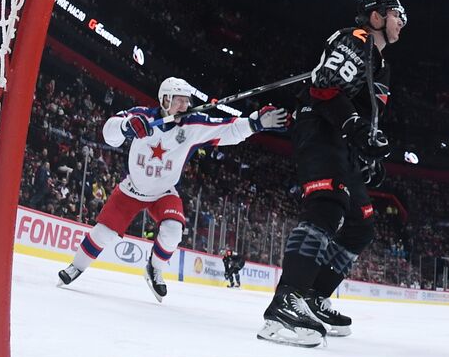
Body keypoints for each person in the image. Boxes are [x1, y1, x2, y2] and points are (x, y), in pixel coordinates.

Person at [258, 0, 404, 347]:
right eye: (396, 14)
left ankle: (312, 297)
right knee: (326, 204)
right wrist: (353, 126)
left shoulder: (381, 63)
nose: (402, 22)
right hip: (320, 127)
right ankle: (286, 301)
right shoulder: (356, 41)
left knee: (361, 223)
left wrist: (366, 153)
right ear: (375, 17)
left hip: (341, 140)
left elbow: (362, 114)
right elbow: (324, 88)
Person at [57, 77, 287, 301]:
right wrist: (126, 127)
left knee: (173, 231)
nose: (184, 106)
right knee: (103, 233)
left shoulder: (194, 124)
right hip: (133, 189)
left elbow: (228, 130)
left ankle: (154, 269)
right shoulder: (141, 117)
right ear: (164, 100)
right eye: (178, 100)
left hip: (164, 192)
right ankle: (76, 267)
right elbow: (109, 133)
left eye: (187, 101)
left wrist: (255, 123)